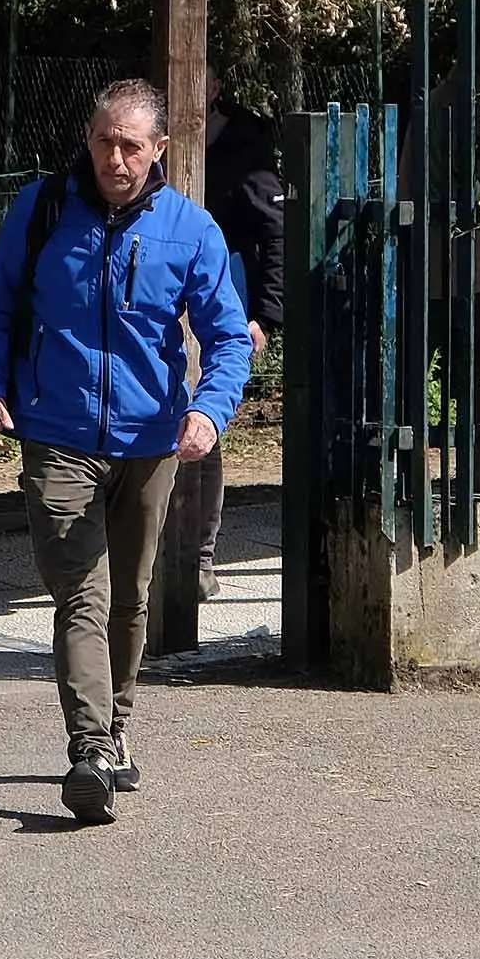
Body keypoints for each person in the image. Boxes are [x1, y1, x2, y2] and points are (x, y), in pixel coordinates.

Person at [0, 77, 252, 826]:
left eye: (130, 145)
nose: (114, 158)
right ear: (87, 140)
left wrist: (208, 411)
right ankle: (89, 748)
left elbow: (226, 336)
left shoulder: (189, 229)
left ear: (158, 149)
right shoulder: (41, 209)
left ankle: (118, 726)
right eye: (103, 141)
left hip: (150, 440)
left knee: (129, 599)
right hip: (55, 436)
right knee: (81, 597)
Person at [164, 84, 286, 613]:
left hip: (217, 302)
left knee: (202, 424)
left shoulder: (245, 148)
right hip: (160, 301)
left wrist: (265, 315)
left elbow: (275, 229)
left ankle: (200, 555)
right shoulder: (144, 146)